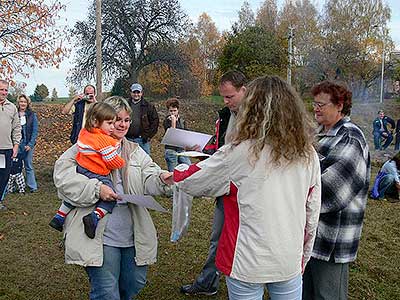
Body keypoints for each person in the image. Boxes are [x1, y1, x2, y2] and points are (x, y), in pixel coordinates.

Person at [174, 75, 321, 300]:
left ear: (251, 108)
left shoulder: (237, 153)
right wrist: (303, 257)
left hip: (246, 261)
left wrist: (175, 172)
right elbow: (312, 213)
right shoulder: (308, 154)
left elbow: (191, 181)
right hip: (288, 258)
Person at [53, 96, 173, 300]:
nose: (122, 124)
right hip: (98, 232)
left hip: (132, 232)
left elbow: (149, 176)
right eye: (117, 119)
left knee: (134, 283)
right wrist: (97, 189)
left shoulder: (134, 151)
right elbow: (63, 179)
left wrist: (164, 179)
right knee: (106, 292)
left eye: (127, 120)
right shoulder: (83, 147)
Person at [180, 70, 247, 296]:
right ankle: (209, 281)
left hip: (246, 190)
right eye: (223, 97)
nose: (226, 102)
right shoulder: (226, 116)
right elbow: (222, 148)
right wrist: (205, 151)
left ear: (244, 91)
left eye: (230, 97)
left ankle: (244, 284)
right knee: (218, 237)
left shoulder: (256, 118)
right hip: (225, 186)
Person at [302, 81, 370, 300]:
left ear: (339, 106)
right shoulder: (316, 134)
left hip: (331, 240)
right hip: (309, 236)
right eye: (315, 104)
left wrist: (292, 198)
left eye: (322, 104)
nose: (316, 108)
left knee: (327, 295)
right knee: (305, 293)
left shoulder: (350, 138)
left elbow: (333, 191)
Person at [50, 102, 125, 239]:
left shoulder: (85, 132)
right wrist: (121, 162)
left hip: (81, 168)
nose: (114, 126)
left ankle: (60, 215)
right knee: (111, 198)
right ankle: (94, 217)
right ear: (96, 122)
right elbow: (112, 162)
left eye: (126, 120)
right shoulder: (104, 140)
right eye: (110, 123)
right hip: (97, 172)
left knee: (71, 198)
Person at [0, 79, 21, 211]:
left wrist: (16, 145)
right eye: (1, 89)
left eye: (6, 90)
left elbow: (17, 128)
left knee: (3, 176)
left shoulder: (12, 107)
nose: (4, 92)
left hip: (6, 149)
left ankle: (0, 201)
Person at [125, 83, 159, 155]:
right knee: (128, 161)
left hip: (142, 140)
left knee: (146, 162)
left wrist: (148, 136)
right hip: (127, 139)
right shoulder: (125, 105)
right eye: (134, 92)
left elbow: (155, 122)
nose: (136, 94)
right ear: (131, 93)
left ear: (141, 93)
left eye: (138, 92)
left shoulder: (148, 106)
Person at [17, 94, 39, 193]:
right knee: (15, 165)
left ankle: (32, 186)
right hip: (16, 144)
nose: (22, 103)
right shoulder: (14, 113)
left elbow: (35, 131)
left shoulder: (32, 115)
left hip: (28, 143)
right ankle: (14, 186)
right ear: (18, 103)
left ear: (27, 103)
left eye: (24, 102)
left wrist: (30, 144)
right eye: (21, 101)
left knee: (28, 165)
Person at [163, 98, 191, 171]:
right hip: (171, 149)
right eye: (171, 111)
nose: (173, 113)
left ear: (178, 110)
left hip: (181, 148)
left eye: (174, 111)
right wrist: (173, 122)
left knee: (188, 168)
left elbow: (186, 132)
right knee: (173, 172)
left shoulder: (182, 121)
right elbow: (172, 134)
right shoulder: (166, 121)